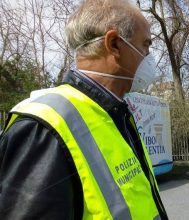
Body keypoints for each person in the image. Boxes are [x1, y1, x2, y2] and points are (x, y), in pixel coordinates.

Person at [0, 0, 168, 219]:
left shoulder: (114, 111)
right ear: (114, 44)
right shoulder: (43, 128)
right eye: (146, 45)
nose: (149, 56)